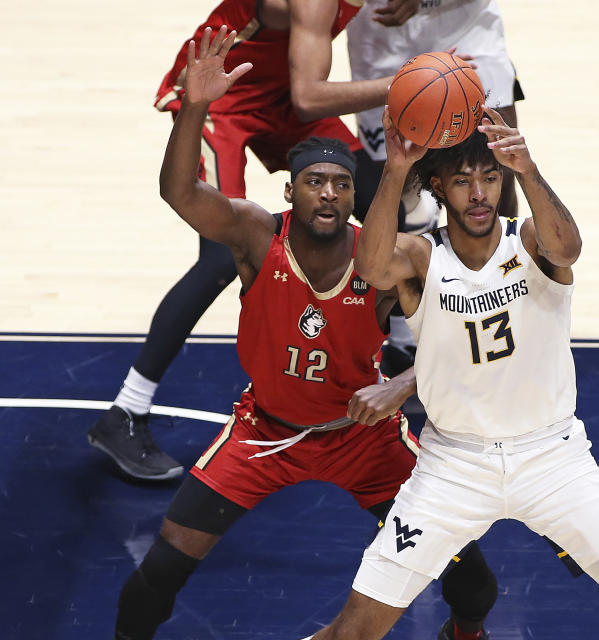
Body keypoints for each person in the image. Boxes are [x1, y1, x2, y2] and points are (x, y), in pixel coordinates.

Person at [113, 28, 498, 640]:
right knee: (157, 575)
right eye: (315, 181)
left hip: (363, 438)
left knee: (474, 584)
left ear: (352, 197)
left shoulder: (382, 258)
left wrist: (402, 383)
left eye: (341, 183)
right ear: (290, 191)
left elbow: (464, 336)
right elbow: (178, 192)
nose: (329, 192)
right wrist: (194, 106)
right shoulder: (256, 235)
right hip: (265, 431)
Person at [299, 106, 599, 640]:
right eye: (463, 180)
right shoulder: (424, 258)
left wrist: (529, 169)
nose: (478, 193)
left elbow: (571, 248)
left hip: (554, 459)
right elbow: (371, 267)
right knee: (353, 631)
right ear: (438, 187)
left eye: (490, 177)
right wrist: (395, 172)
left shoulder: (530, 241)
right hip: (454, 467)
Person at [87, 0, 423, 480]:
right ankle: (126, 409)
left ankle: (405, 347)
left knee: (375, 193)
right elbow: (310, 96)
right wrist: (410, 88)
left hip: (280, 96)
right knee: (221, 256)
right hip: (221, 93)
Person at [346, 0, 524, 376]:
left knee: (493, 174)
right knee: (398, 187)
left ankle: (505, 303)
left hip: (466, 28)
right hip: (382, 37)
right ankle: (404, 336)